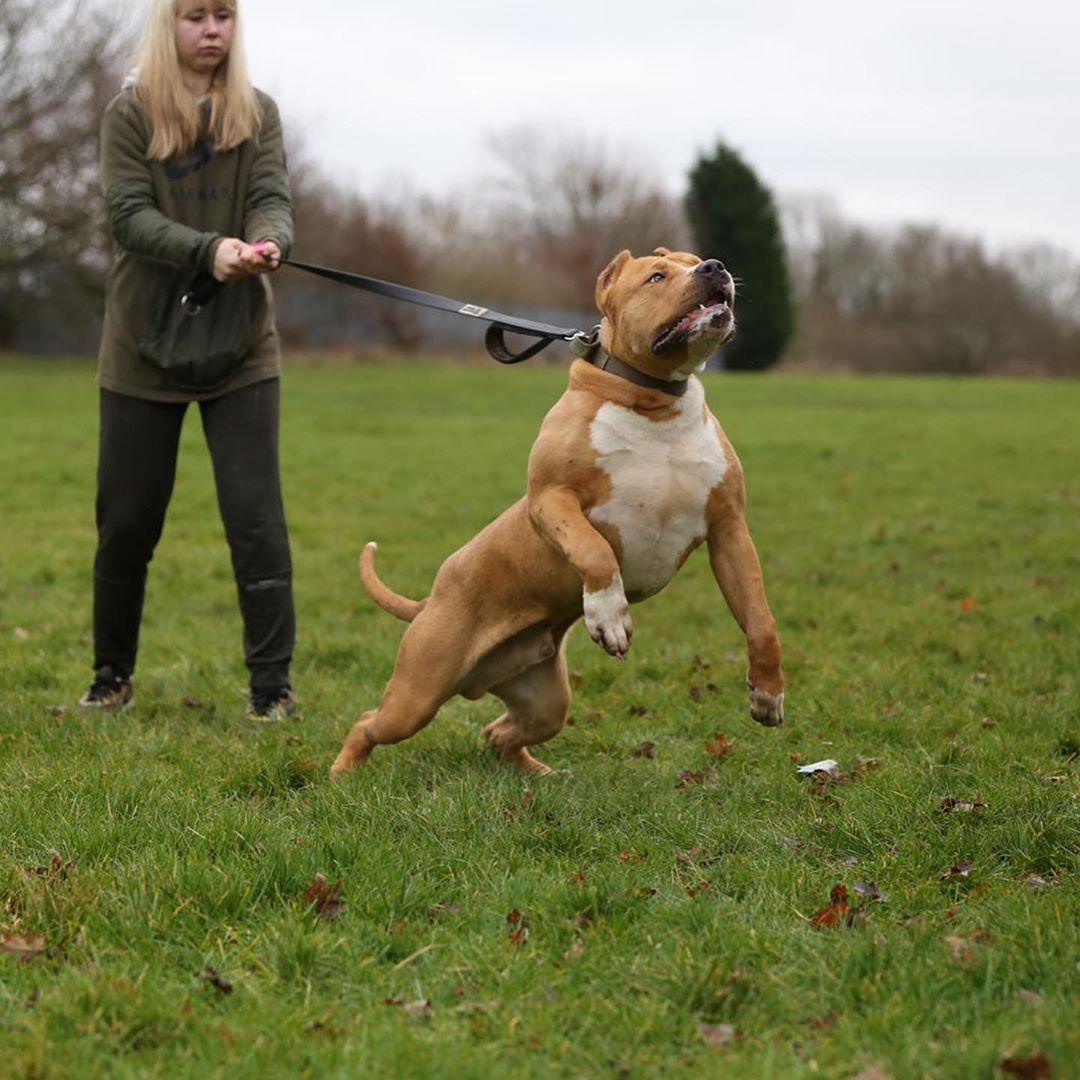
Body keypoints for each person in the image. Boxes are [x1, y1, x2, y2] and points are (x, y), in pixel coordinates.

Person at [79, 0, 297, 721]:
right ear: (167, 26)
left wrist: (268, 240)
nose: (212, 29)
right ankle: (110, 679)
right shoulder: (130, 113)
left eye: (223, 16)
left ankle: (272, 691)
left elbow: (271, 198)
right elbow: (127, 216)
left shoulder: (257, 112)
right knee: (127, 522)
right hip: (142, 347)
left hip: (241, 348)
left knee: (256, 522)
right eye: (195, 16)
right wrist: (209, 250)